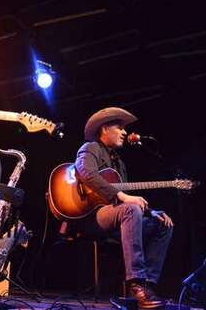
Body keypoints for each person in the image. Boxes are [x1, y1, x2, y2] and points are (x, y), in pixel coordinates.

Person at [75, 107, 173, 309]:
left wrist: (151, 212)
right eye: (119, 127)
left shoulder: (120, 163)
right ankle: (136, 284)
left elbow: (125, 202)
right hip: (94, 216)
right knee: (131, 209)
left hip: (119, 218)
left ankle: (148, 286)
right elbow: (86, 173)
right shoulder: (91, 148)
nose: (125, 132)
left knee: (163, 224)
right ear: (104, 129)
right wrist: (121, 196)